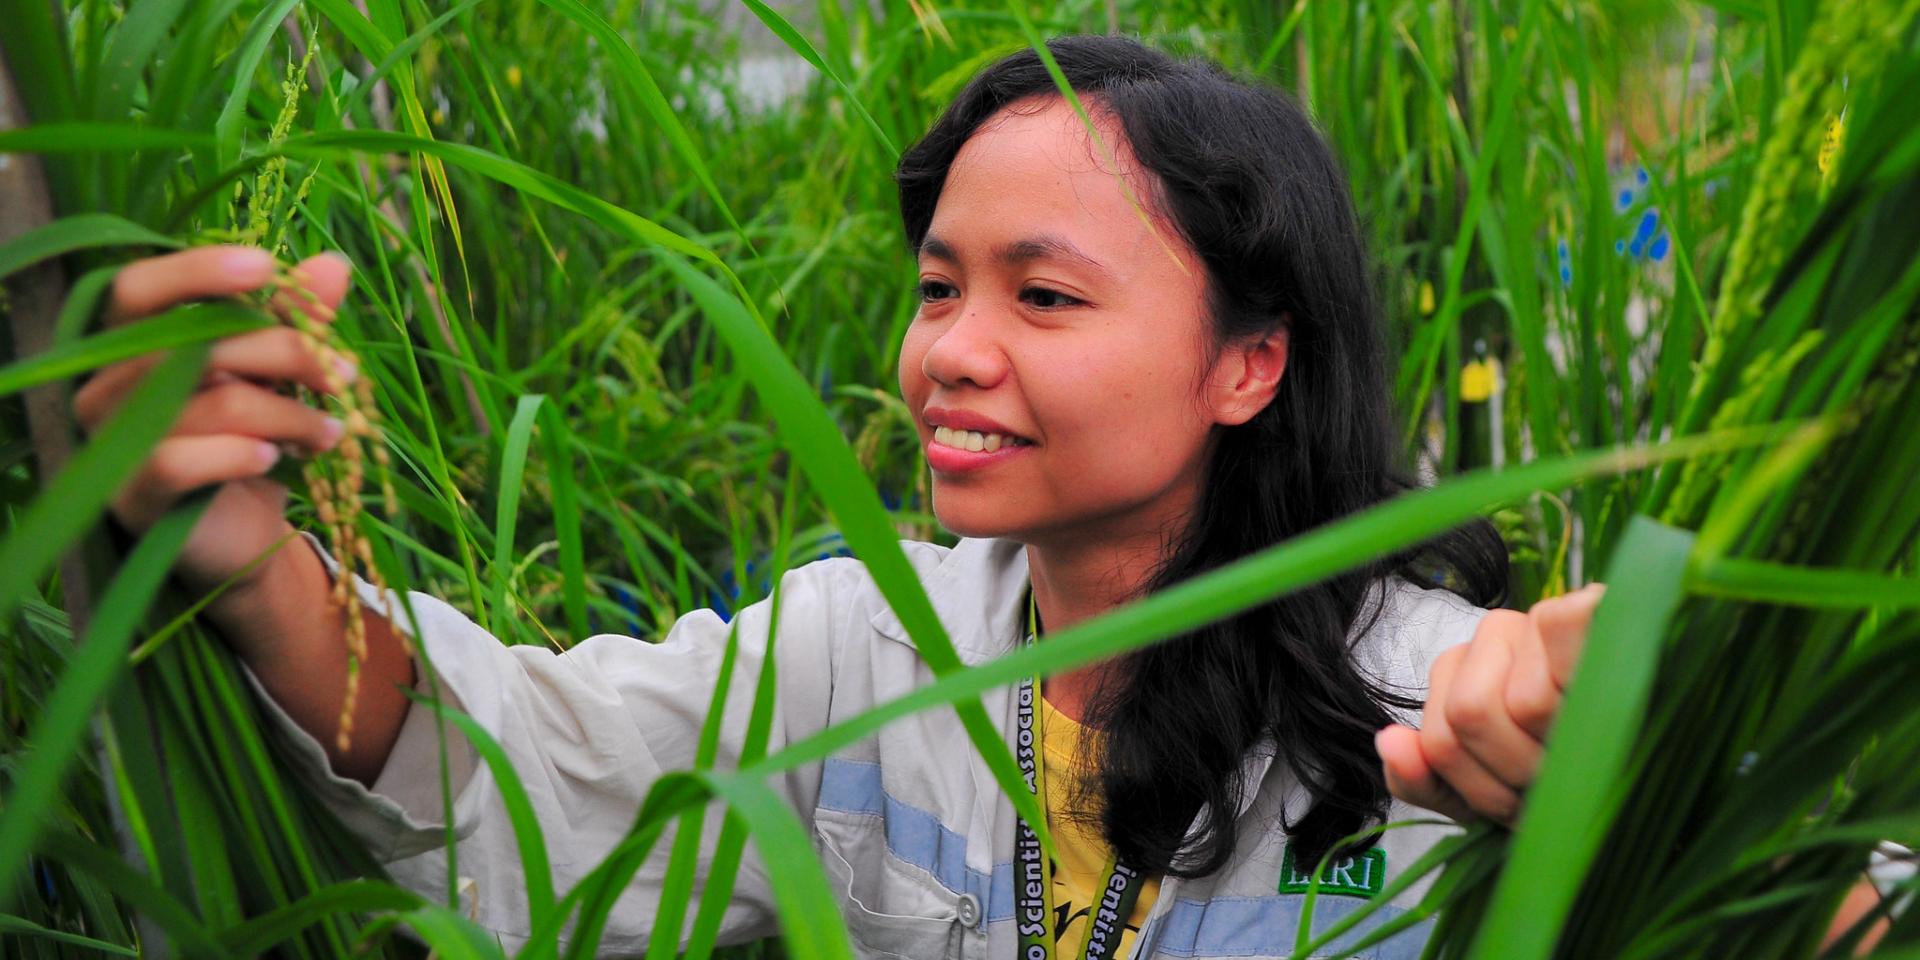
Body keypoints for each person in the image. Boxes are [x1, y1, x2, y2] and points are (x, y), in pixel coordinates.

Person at [77, 36, 1609, 960]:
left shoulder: (1434, 705)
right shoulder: (862, 650)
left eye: (1046, 296)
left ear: (1248, 366)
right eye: (940, 286)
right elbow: (532, 796)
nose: (949, 351)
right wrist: (259, 561)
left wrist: (1621, 762)